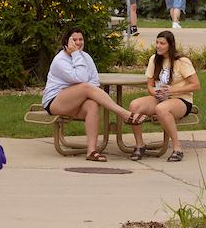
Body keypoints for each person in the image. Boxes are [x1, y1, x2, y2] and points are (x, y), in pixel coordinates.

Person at [41, 28, 140, 162]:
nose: (78, 42)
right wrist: (75, 54)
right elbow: (82, 80)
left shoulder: (86, 57)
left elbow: (94, 81)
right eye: (74, 40)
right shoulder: (60, 60)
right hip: (55, 101)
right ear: (66, 43)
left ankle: (91, 151)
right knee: (86, 87)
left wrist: (78, 56)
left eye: (80, 39)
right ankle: (124, 114)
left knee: (92, 105)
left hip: (77, 100)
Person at [128, 30, 201, 162]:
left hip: (181, 100)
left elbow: (196, 85)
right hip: (160, 98)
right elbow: (149, 85)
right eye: (157, 42)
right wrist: (153, 91)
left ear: (170, 45)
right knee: (135, 105)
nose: (158, 46)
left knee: (161, 109)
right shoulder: (154, 59)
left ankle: (177, 148)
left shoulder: (181, 61)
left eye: (162, 43)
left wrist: (172, 90)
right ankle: (140, 145)